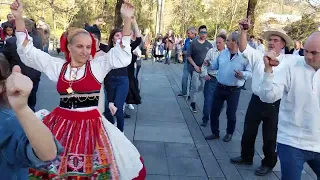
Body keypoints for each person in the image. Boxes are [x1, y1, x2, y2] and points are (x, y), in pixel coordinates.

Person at [10, 0, 146, 179]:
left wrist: (127, 20)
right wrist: (19, 18)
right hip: (60, 123)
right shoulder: (59, 67)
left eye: (88, 47)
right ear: (69, 47)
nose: (85, 51)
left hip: (91, 125)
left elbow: (120, 55)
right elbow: (29, 53)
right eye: (80, 46)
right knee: (50, 165)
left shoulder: (97, 66)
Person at [257, 32, 320, 179]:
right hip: (291, 141)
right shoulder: (291, 64)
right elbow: (268, 96)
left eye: (314, 53)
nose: (309, 56)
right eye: (306, 52)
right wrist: (268, 71)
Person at [0, 54, 62, 178]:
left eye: (87, 47)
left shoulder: (9, 123)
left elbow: (47, 153)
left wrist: (22, 108)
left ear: (2, 86)